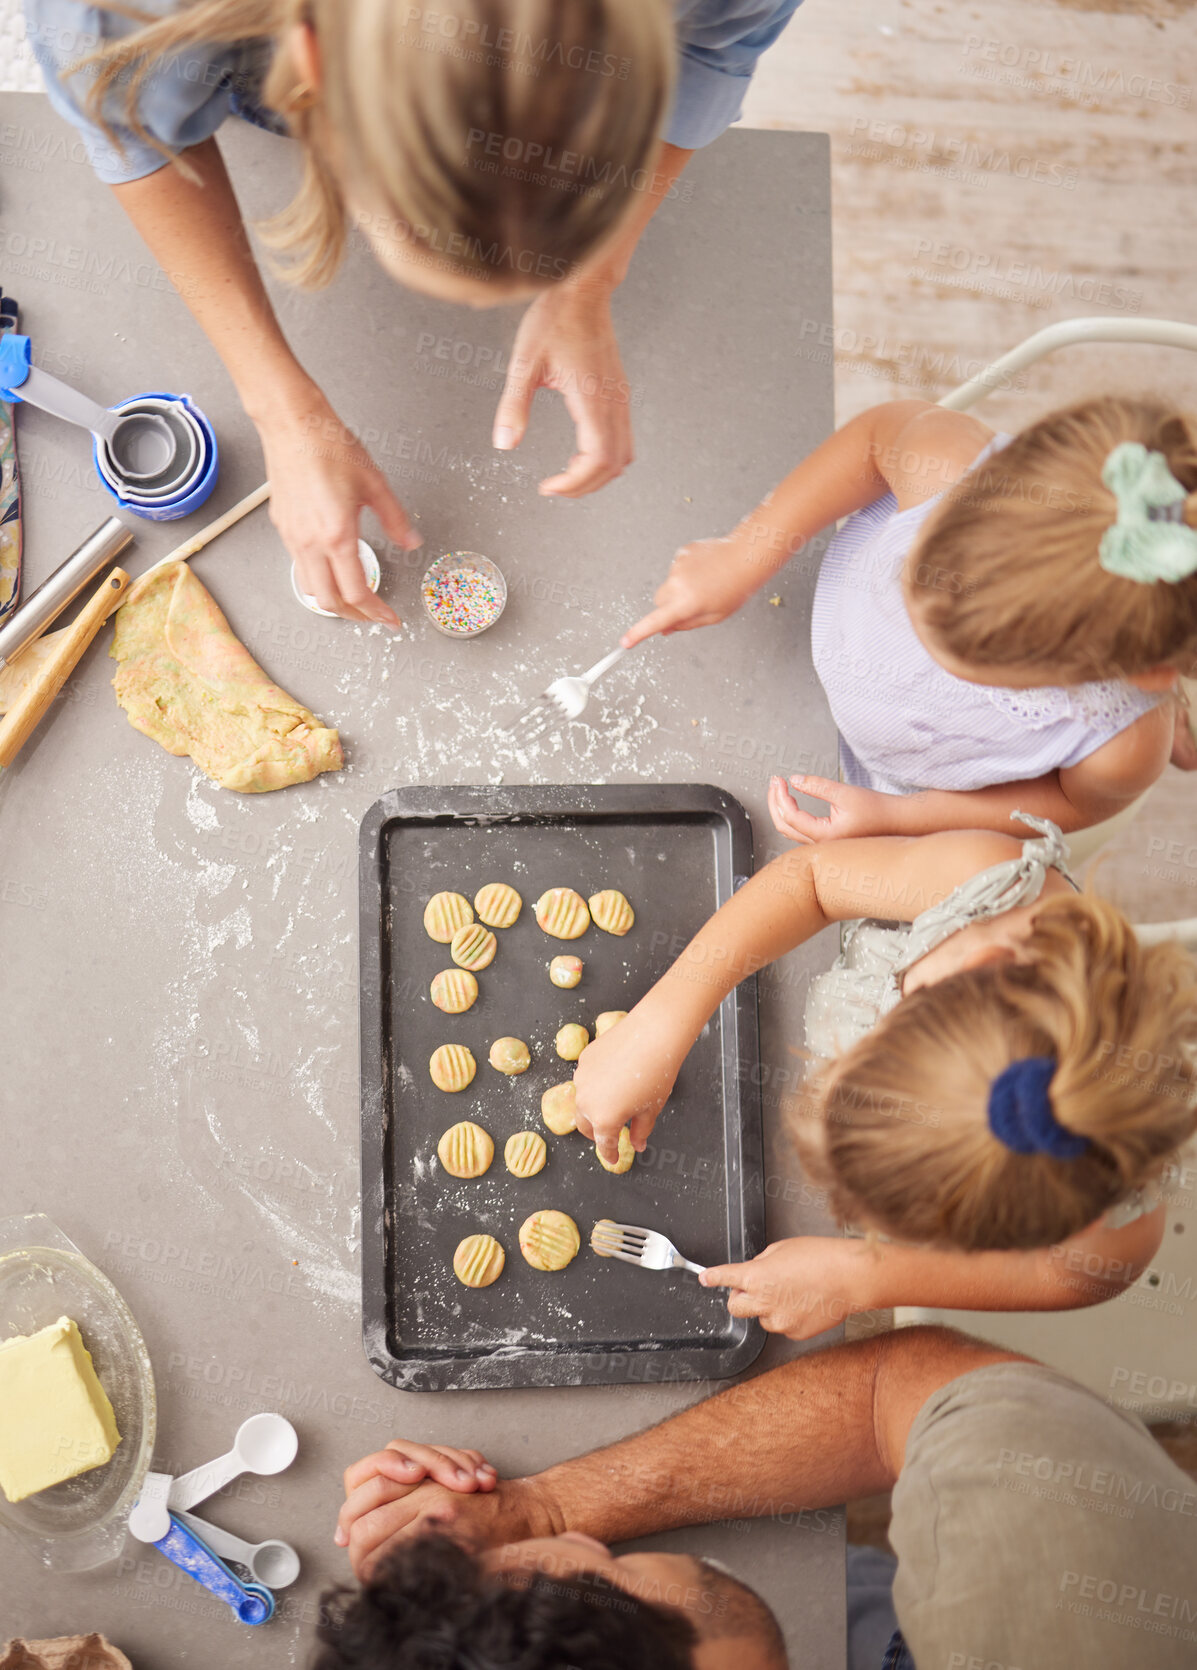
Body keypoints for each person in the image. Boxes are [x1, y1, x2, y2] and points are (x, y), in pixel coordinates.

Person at [26, 0, 804, 623]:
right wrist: (280, 410)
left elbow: (712, 51)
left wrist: (587, 284)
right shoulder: (117, 10)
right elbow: (136, 126)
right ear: (317, 67)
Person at [569, 814, 1197, 1336]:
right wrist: (664, 1020)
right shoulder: (979, 884)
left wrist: (864, 1275)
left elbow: (1087, 1273)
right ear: (983, 959)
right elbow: (812, 881)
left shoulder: (1108, 1183)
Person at [327, 1325, 1197, 1668]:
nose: (595, 1550)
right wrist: (547, 1527)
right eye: (595, 1579)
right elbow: (896, 1393)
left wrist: (543, 1514)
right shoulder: (1063, 1618)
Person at [621, 395, 1197, 843]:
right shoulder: (948, 462)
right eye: (919, 575)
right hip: (835, 639)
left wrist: (900, 816)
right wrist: (747, 551)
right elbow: (877, 440)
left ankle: (1167, 707)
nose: (920, 633)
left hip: (917, 775)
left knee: (1136, 726)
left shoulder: (1122, 752)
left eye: (977, 668)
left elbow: (1070, 804)